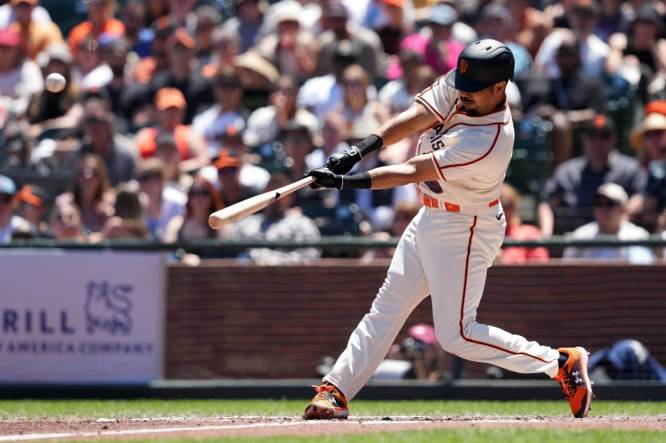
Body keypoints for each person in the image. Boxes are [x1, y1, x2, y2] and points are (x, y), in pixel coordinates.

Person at [303, 39, 592, 420]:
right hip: (430, 216)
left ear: (500, 88)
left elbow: (412, 170)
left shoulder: (489, 141)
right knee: (386, 309)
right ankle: (336, 389)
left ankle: (559, 362)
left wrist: (347, 182)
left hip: (466, 227)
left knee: (456, 335)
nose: (463, 94)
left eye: (473, 91)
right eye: (462, 86)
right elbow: (416, 117)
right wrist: (357, 152)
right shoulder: (463, 84)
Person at [538, 114, 646, 237]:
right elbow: (546, 204)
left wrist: (617, 221)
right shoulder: (567, 172)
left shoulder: (629, 169)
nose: (597, 142)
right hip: (575, 240)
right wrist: (546, 236)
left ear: (614, 139)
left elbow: (641, 198)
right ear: (584, 139)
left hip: (617, 239)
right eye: (592, 137)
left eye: (604, 137)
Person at [563, 183, 654, 264]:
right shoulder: (581, 235)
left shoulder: (637, 236)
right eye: (598, 203)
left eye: (609, 204)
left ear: (623, 208)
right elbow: (568, 272)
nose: (603, 209)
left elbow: (642, 272)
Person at [498, 183, 549, 264]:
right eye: (499, 206)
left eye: (507, 205)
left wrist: (504, 259)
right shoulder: (480, 236)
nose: (503, 211)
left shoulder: (530, 234)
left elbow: (541, 267)